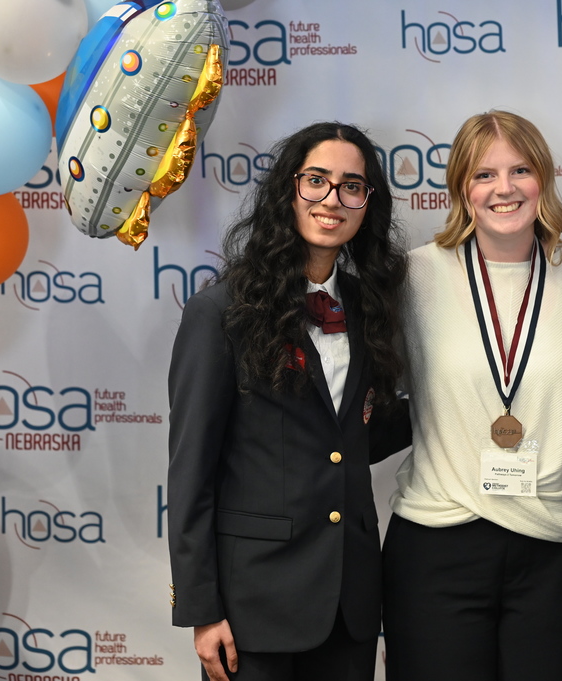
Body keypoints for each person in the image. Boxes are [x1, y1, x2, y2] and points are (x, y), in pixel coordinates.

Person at [167, 122, 410, 681]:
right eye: (316, 181)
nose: (332, 199)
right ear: (287, 191)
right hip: (254, 603)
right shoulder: (221, 311)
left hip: (348, 602)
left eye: (352, 186)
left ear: (367, 204)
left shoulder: (367, 306)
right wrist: (203, 611)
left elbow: (349, 441)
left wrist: (448, 410)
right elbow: (191, 472)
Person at [382, 110, 562, 681]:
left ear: (545, 178)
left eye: (520, 170)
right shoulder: (410, 278)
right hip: (439, 542)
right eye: (484, 174)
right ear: (461, 188)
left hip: (559, 545)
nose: (504, 188)